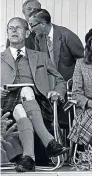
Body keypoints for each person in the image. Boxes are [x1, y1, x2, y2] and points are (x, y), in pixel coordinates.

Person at [1, 17, 69, 172]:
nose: (13, 30)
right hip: (5, 103)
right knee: (24, 94)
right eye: (10, 28)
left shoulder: (40, 57)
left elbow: (60, 80)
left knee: (23, 100)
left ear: (27, 33)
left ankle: (29, 158)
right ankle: (50, 142)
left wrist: (57, 92)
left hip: (37, 103)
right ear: (7, 33)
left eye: (18, 28)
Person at [28, 8, 84, 81]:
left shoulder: (67, 35)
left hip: (69, 82)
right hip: (50, 83)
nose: (31, 29)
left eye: (32, 25)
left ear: (43, 24)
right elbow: (39, 62)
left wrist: (76, 81)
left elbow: (82, 61)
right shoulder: (38, 38)